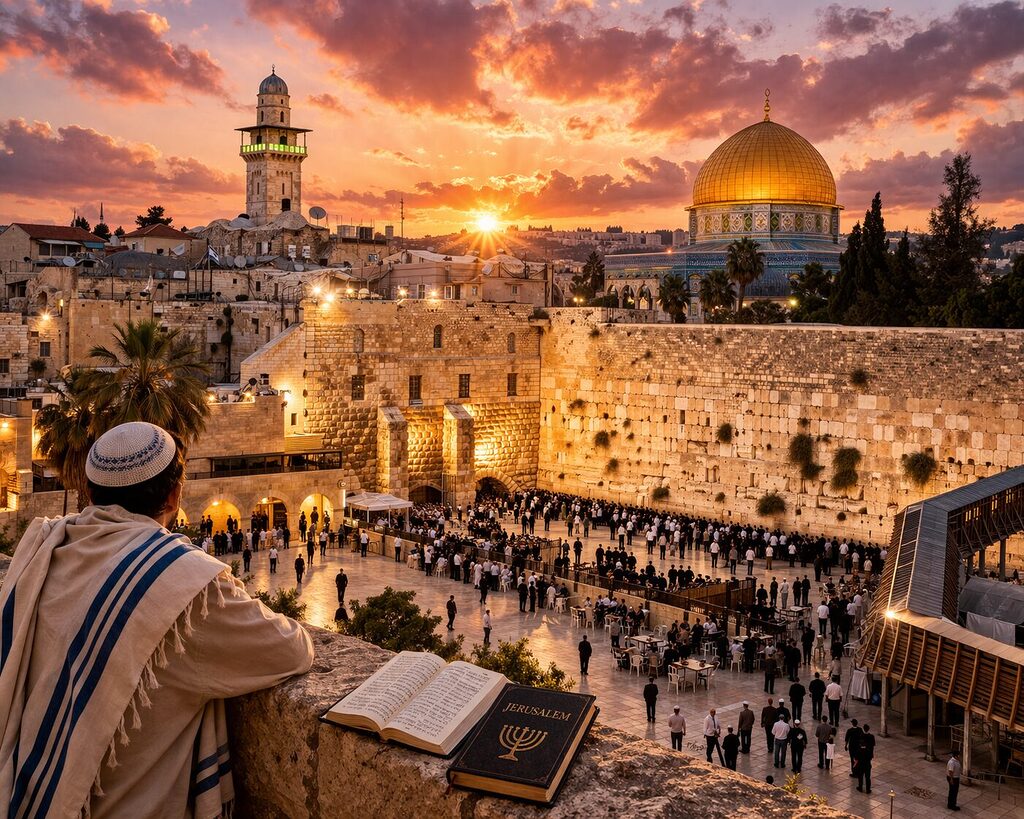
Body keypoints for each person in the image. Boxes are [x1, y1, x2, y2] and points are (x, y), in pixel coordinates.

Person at [0, 421, 313, 818]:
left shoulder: (50, 549)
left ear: (91, 493)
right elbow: (291, 649)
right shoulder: (179, 585)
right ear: (175, 495)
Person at [855, 724, 875, 793]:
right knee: (867, 777)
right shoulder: (868, 751)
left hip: (860, 765)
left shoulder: (859, 750)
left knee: (860, 777)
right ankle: (868, 789)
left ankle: (860, 787)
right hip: (867, 765)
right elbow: (872, 747)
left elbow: (856, 758)